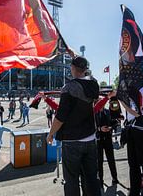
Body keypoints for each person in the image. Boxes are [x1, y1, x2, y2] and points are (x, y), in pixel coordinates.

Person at [46, 56, 101, 196]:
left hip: (72, 141)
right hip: (90, 138)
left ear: (72, 68)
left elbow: (60, 116)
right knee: (91, 178)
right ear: (85, 69)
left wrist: (51, 133)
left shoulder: (69, 88)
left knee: (71, 180)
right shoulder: (94, 85)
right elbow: (90, 78)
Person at [95, 103, 119, 187]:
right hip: (98, 140)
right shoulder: (94, 113)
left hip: (108, 138)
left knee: (111, 159)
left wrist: (111, 127)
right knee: (99, 161)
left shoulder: (108, 112)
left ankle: (115, 178)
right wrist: (99, 129)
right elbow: (90, 126)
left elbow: (115, 122)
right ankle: (100, 180)